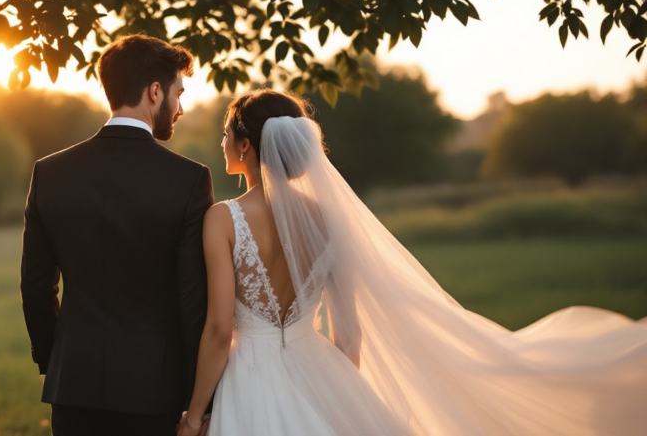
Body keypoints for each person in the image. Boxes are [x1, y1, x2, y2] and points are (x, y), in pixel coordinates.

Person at [179, 88, 647, 436]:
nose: (221, 143)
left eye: (226, 134)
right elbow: (350, 336)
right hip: (316, 368)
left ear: (245, 145)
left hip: (250, 381)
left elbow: (221, 330)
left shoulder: (224, 219)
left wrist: (196, 414)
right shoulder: (328, 221)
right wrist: (342, 395)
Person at [21, 35, 213, 435]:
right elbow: (193, 296)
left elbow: (36, 287)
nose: (180, 108)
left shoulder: (50, 173)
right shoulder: (189, 180)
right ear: (155, 92)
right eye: (178, 93)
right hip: (155, 390)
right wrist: (200, 398)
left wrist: (53, 363)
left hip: (73, 384)